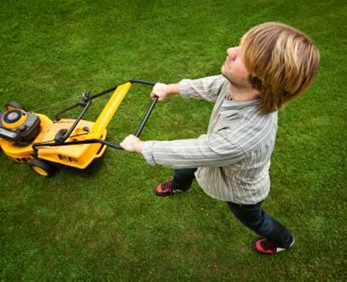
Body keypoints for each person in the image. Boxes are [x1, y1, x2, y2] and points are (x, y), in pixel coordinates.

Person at [120, 22, 320, 255]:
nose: (230, 50)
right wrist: (171, 88)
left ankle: (283, 240)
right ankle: (180, 186)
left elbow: (195, 150)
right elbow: (210, 85)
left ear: (261, 82)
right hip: (215, 154)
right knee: (186, 167)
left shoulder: (243, 137)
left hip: (238, 189)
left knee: (254, 220)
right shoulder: (237, 86)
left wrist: (140, 146)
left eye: (243, 55)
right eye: (240, 45)